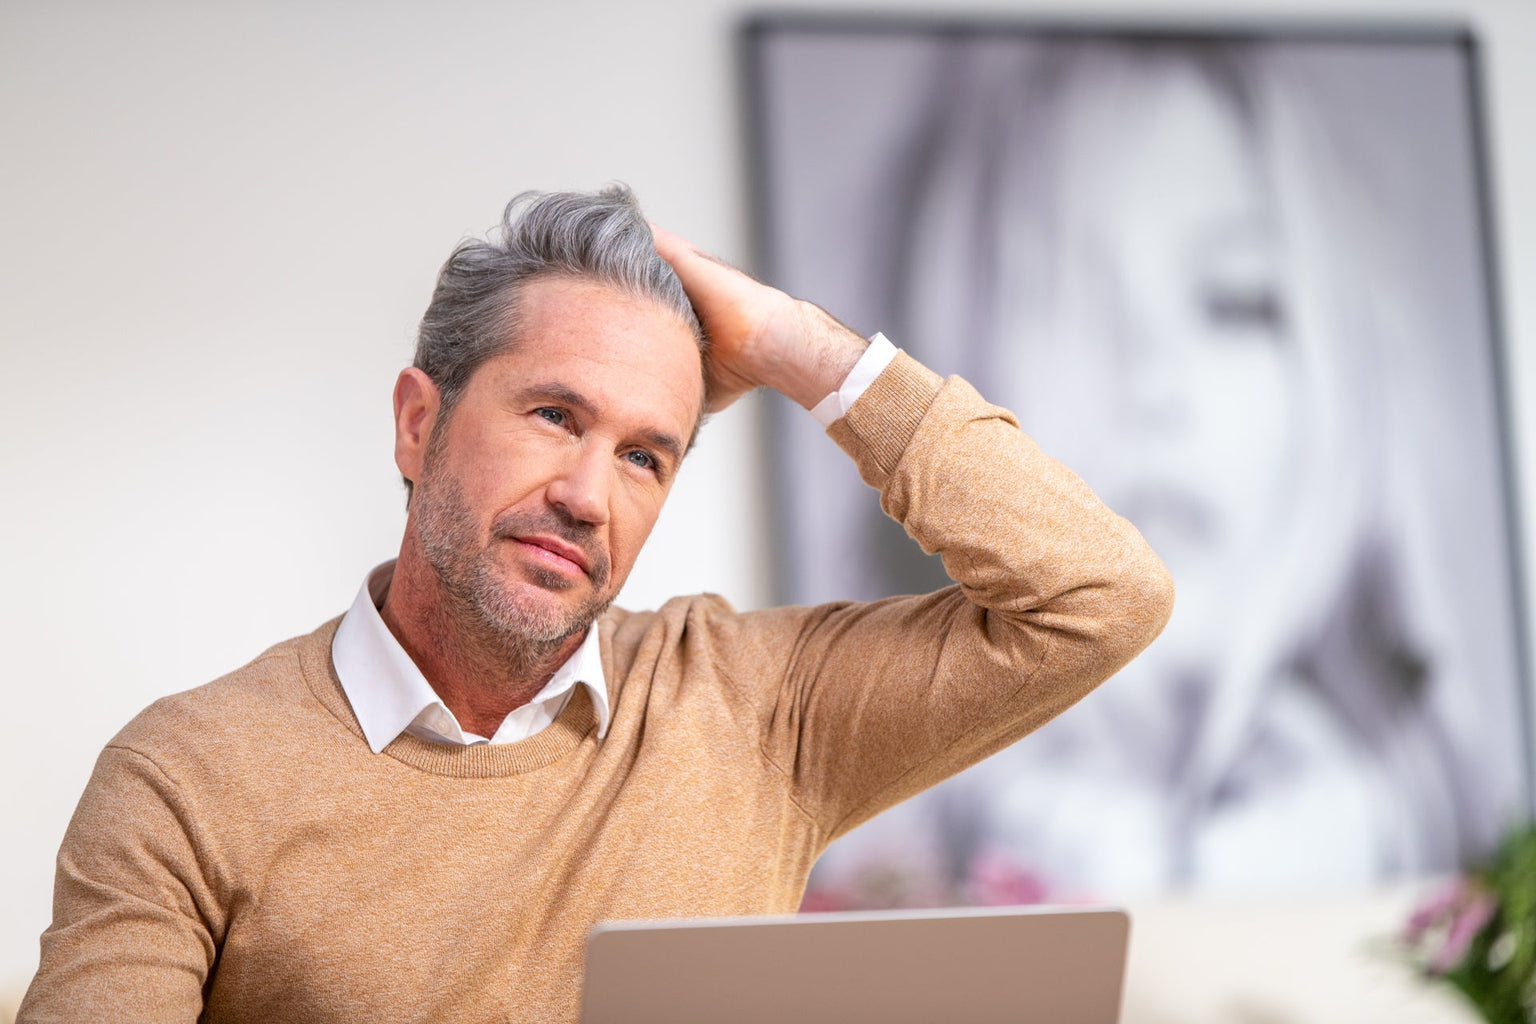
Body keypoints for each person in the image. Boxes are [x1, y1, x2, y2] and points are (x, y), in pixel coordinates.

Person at [19, 185, 1172, 1023]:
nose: (584, 496)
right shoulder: (189, 774)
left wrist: (794, 344)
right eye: (554, 416)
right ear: (418, 423)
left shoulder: (761, 710)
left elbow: (1100, 596)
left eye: (645, 456)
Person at [799, 37, 1519, 904]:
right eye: (1074, 301)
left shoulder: (1463, 873)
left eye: (1233, 297)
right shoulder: (832, 844)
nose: (1156, 383)